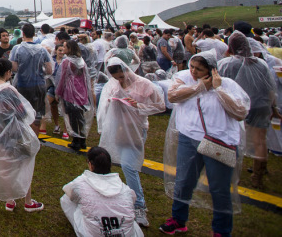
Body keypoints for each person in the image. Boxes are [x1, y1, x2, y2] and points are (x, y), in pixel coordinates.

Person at [161, 51, 249, 237]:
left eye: (199, 69)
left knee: (219, 188)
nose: (193, 71)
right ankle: (178, 219)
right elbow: (173, 96)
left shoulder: (227, 85)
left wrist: (218, 89)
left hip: (219, 142)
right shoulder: (184, 78)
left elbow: (240, 112)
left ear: (211, 70)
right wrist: (199, 87)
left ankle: (221, 230)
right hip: (189, 138)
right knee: (183, 182)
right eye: (192, 66)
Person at [97, 58, 166, 227]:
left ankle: (139, 205)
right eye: (117, 78)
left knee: (129, 166)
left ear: (127, 70)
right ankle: (125, 198)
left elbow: (160, 106)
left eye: (122, 76)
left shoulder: (144, 84)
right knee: (123, 164)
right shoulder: (113, 84)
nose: (121, 80)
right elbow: (104, 106)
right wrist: (110, 102)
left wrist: (140, 106)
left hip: (136, 129)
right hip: (118, 129)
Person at [0, 58, 43, 212]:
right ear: (8, 72)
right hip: (14, 133)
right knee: (25, 164)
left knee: (5, 166)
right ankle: (28, 201)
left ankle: (9, 200)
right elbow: (23, 112)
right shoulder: (8, 90)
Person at [217, 31, 279, 189]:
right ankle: (257, 176)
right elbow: (270, 88)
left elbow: (218, 87)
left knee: (231, 139)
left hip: (238, 106)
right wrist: (273, 107)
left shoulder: (227, 63)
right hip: (261, 105)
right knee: (260, 141)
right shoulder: (261, 63)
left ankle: (230, 173)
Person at [61, 146, 143, 237]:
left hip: (94, 234)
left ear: (91, 165)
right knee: (131, 219)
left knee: (66, 199)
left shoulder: (81, 183)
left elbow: (68, 192)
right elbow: (132, 200)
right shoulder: (125, 189)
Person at [9, 23, 54, 135]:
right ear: (34, 34)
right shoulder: (42, 50)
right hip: (39, 84)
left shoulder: (17, 49)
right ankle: (35, 137)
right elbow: (49, 70)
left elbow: (13, 68)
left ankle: (24, 137)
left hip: (22, 84)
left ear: (23, 34)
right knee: (37, 112)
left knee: (22, 112)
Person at [56, 40, 93, 152]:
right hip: (81, 91)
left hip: (70, 93)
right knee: (80, 116)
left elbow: (62, 78)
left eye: (65, 47)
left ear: (70, 49)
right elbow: (86, 78)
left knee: (72, 117)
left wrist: (58, 92)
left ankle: (76, 139)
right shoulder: (81, 61)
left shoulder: (66, 61)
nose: (63, 48)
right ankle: (82, 139)